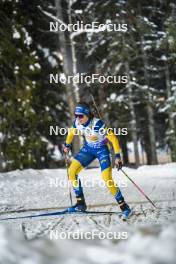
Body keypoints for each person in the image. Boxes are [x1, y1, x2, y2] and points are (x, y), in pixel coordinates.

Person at [63, 102, 131, 219]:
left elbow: (113, 139)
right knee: (72, 172)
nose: (77, 118)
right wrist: (67, 144)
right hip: (88, 149)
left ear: (87, 115)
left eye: (80, 116)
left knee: (106, 178)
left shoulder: (98, 124)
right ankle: (81, 204)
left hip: (102, 151)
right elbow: (71, 132)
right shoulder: (77, 123)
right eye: (76, 115)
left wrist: (118, 157)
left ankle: (124, 207)